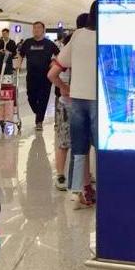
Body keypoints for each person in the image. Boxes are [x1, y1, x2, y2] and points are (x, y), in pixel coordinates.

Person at [48, 2, 97, 208]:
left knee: (79, 148)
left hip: (77, 100)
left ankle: (78, 193)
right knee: (102, 148)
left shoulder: (77, 36)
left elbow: (52, 73)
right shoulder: (108, 36)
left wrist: (64, 87)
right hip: (99, 101)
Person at [17, 22, 59, 130]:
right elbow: (21, 55)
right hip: (31, 76)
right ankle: (39, 113)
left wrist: (54, 62)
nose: (36, 30)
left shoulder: (49, 44)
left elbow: (59, 55)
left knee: (43, 98)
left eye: (39, 28)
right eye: (34, 28)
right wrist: (18, 65)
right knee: (31, 97)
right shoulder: (27, 42)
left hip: (46, 77)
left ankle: (39, 121)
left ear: (43, 30)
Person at [53, 32, 72, 191]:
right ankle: (60, 174)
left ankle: (84, 174)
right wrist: (64, 87)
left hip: (79, 104)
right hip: (66, 105)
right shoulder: (65, 57)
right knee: (64, 142)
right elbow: (52, 74)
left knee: (82, 143)